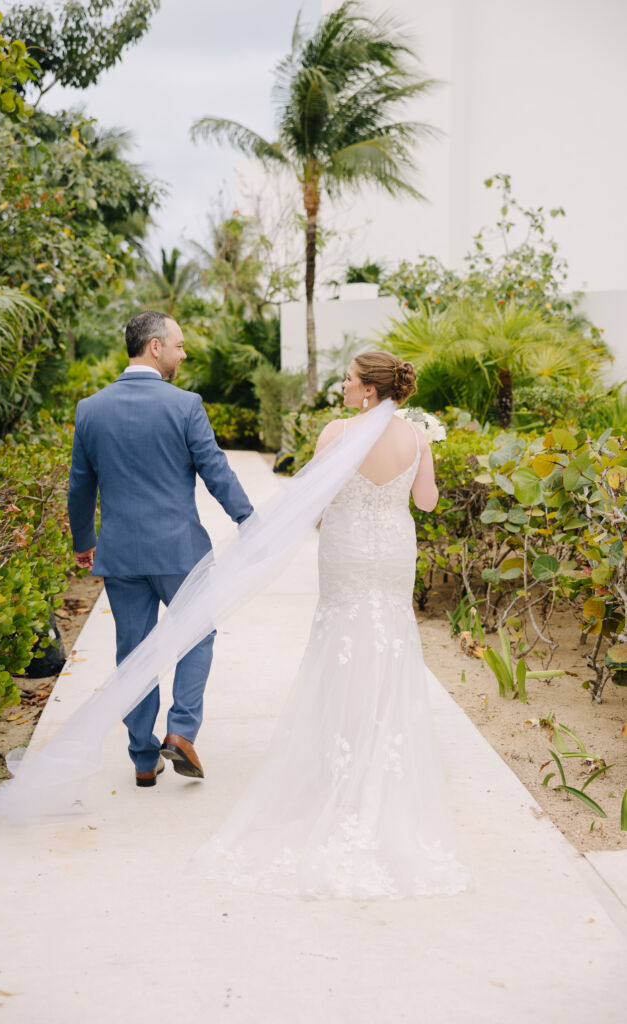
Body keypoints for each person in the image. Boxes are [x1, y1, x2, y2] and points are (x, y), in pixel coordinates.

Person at [192, 351, 471, 900]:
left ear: (368, 390)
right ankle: (380, 755)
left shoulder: (337, 433)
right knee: (389, 640)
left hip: (344, 551)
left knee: (340, 640)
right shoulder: (416, 437)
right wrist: (412, 470)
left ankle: (337, 760)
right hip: (393, 549)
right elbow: (428, 501)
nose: (342, 385)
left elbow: (312, 505)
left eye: (349, 379)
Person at [67, 310, 253, 788]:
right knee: (198, 635)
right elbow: (215, 470)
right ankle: (182, 732)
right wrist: (248, 520)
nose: (182, 354)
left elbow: (80, 487)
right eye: (178, 345)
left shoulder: (90, 409)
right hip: (178, 552)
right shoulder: (185, 404)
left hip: (122, 554)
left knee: (134, 654)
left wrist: (83, 543)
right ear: (155, 347)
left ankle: (143, 760)